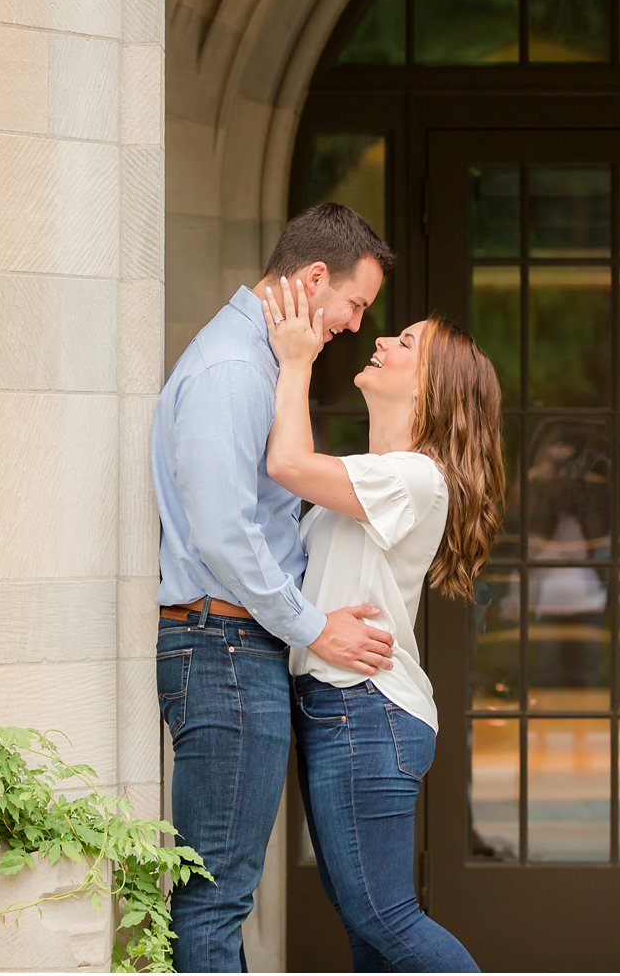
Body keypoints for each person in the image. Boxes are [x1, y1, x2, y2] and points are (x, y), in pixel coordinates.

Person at [152, 203, 400, 972]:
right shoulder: (233, 369)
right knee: (216, 897)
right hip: (222, 646)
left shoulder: (259, 363)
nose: (356, 324)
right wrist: (312, 624)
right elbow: (225, 532)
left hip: (232, 645)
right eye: (355, 304)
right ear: (315, 277)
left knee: (221, 893)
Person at [262, 274, 503, 972]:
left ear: (428, 392)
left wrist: (296, 359)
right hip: (341, 710)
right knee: (368, 933)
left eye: (403, 343)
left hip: (365, 712)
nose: (379, 340)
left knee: (384, 916)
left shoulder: (417, 476)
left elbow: (285, 462)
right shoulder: (373, 474)